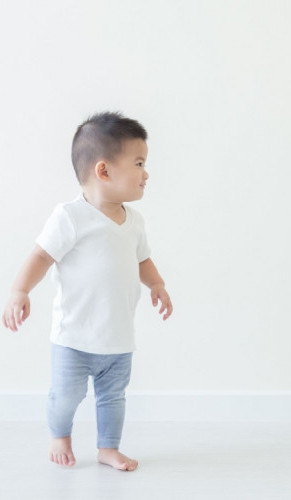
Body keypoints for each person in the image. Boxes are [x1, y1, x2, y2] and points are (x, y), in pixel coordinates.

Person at [2, 112, 173, 471]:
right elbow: (41, 255)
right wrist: (20, 290)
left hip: (118, 338)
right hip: (74, 338)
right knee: (67, 396)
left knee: (113, 398)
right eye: (139, 163)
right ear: (104, 171)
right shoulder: (70, 217)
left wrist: (157, 284)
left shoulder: (135, 221)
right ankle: (59, 435)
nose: (147, 173)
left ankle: (108, 447)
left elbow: (143, 259)